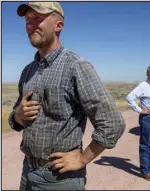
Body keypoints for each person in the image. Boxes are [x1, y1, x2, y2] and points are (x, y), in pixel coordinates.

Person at [8, 2, 125, 190]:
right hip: (27, 172)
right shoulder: (28, 71)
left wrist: (82, 158)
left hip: (59, 179)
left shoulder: (76, 67)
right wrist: (17, 116)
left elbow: (112, 123)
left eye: (38, 19)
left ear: (58, 26)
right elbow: (15, 119)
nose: (31, 25)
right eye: (28, 20)